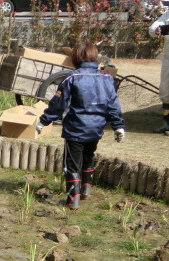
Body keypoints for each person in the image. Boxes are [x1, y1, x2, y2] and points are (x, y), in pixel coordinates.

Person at [36, 41, 125, 210]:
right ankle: (86, 190)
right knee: (88, 157)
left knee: (72, 164)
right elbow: (113, 104)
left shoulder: (71, 78)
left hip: (75, 130)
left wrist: (43, 121)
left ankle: (72, 200)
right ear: (94, 57)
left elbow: (58, 104)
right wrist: (118, 126)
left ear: (76, 57)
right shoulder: (107, 78)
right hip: (96, 129)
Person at [148, 10, 169, 134]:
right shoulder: (168, 14)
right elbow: (153, 27)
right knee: (165, 91)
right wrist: (156, 30)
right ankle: (166, 124)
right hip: (168, 60)